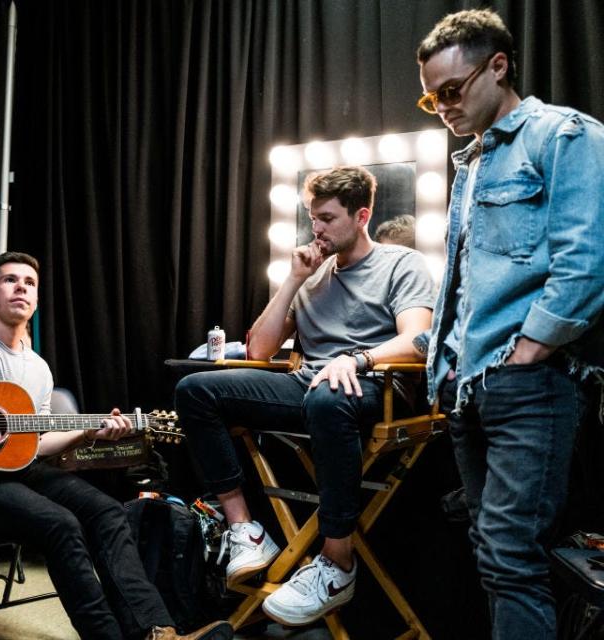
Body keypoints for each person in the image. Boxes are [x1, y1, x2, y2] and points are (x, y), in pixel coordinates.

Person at [0, 251, 233, 640]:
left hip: (18, 471)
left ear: (36, 300)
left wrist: (89, 432)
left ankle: (156, 631)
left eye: (30, 283)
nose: (21, 287)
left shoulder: (38, 369)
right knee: (60, 525)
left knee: (108, 512)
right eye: (10, 280)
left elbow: (35, 443)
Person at [174, 167, 435, 626]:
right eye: (313, 217)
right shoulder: (312, 274)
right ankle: (244, 528)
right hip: (309, 384)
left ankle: (338, 564)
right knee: (195, 389)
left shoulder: (401, 263)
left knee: (327, 395)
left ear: (362, 216)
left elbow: (418, 340)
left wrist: (356, 360)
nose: (317, 228)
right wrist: (293, 280)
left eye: (328, 218)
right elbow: (259, 350)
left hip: (374, 385)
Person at [416, 9, 604, 639]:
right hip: (469, 386)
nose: (441, 106)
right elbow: (465, 282)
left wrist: (528, 350)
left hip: (528, 383)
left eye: (451, 90)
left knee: (509, 554)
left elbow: (589, 260)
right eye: (430, 96)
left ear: (498, 66)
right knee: (494, 556)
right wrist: (443, 363)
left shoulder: (564, 135)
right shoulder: (470, 164)